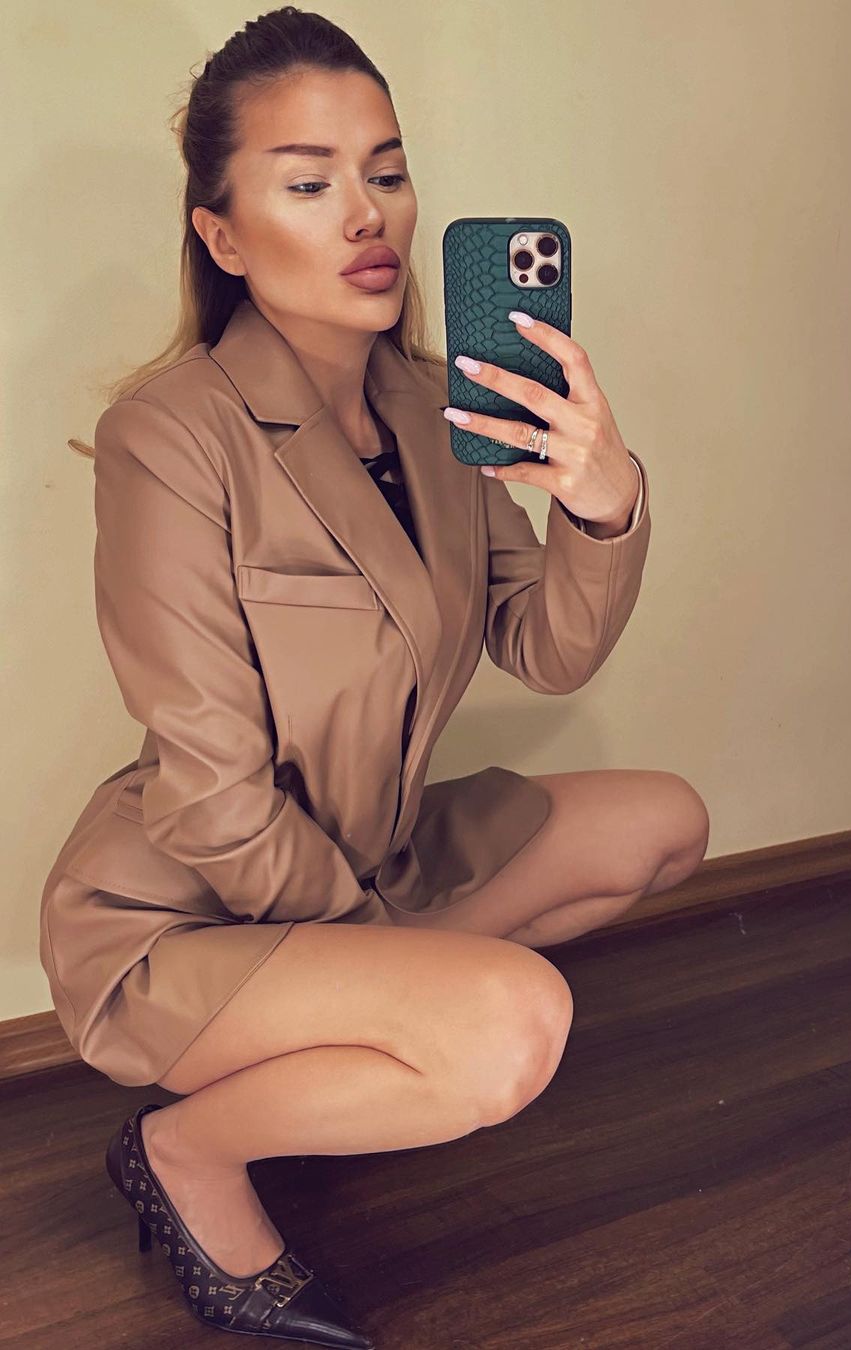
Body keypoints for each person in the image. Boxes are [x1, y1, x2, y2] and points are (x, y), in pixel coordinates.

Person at [40, 7, 709, 1343]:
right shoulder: (169, 435)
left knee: (664, 823)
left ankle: (368, 1030)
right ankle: (185, 1150)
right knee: (515, 1029)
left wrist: (600, 498)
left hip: (375, 857)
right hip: (193, 911)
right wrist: (390, 963)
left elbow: (546, 644)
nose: (370, 216)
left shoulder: (431, 402)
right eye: (309, 183)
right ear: (223, 235)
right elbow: (211, 792)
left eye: (387, 172)